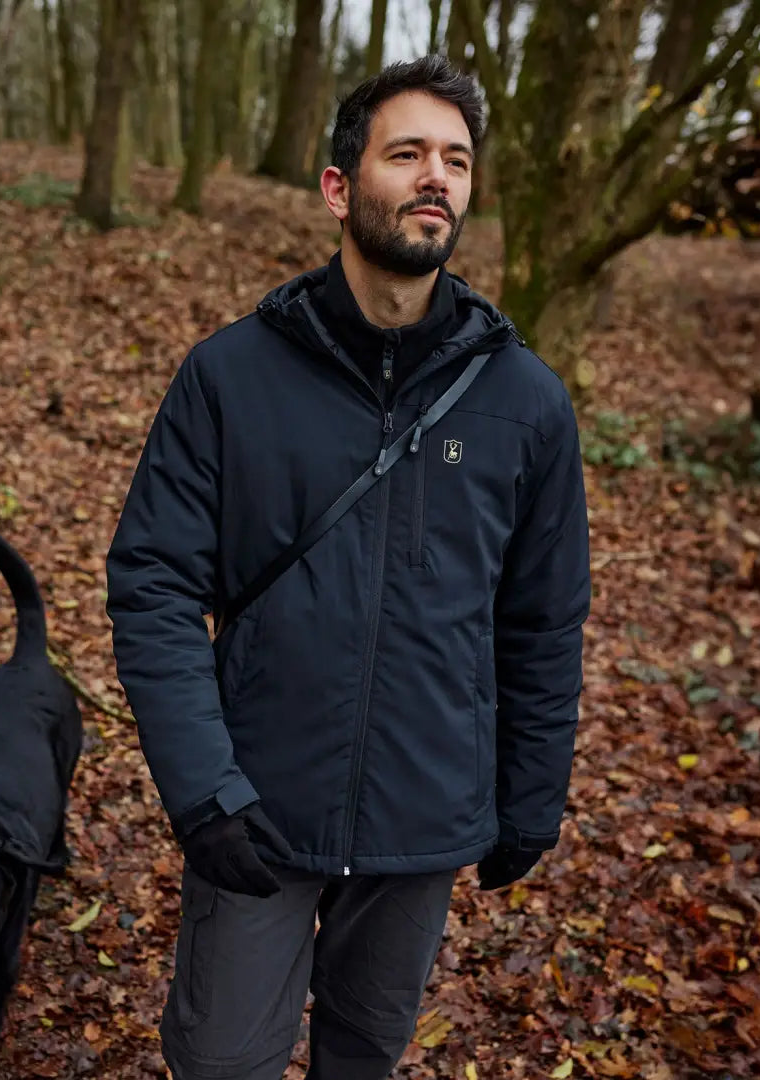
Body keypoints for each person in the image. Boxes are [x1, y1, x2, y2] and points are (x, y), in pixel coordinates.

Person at [105, 54, 591, 1080]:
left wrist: (531, 795)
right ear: (339, 187)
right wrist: (203, 790)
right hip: (257, 807)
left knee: (364, 1057)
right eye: (406, 152)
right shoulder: (229, 376)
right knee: (223, 1060)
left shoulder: (526, 402)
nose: (436, 178)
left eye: (456, 160)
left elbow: (542, 620)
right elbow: (153, 585)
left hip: (424, 817)